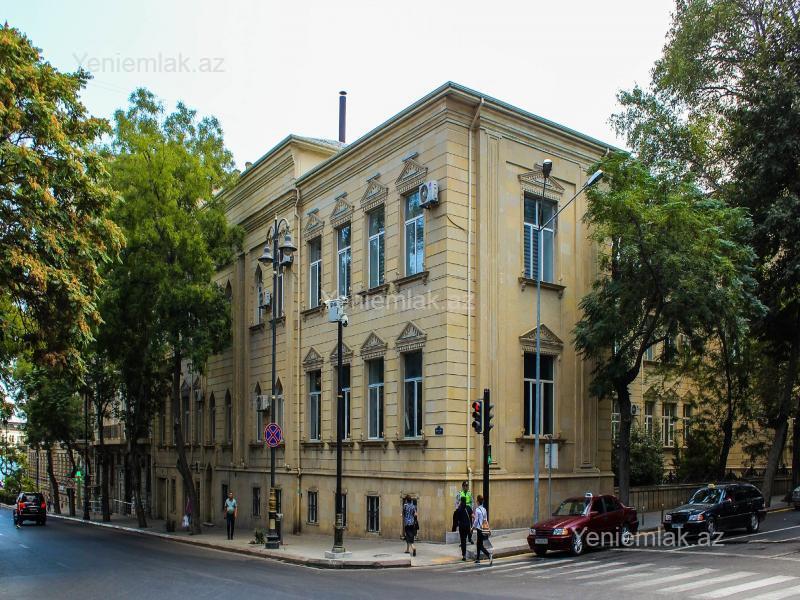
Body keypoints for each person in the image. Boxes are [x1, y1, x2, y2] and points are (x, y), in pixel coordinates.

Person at [472, 495, 492, 565]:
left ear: (478, 502)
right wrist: (488, 528)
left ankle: (489, 555)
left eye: (476, 501)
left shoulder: (477, 510)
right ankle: (477, 559)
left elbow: (476, 520)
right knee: (478, 544)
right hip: (483, 528)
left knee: (480, 545)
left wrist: (472, 528)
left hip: (479, 529)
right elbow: (485, 520)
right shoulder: (484, 509)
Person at [452, 497, 472, 561]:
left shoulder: (459, 509)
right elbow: (472, 516)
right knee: (466, 537)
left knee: (463, 541)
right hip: (467, 526)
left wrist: (454, 527)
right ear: (465, 501)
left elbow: (456, 518)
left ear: (461, 501)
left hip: (462, 527)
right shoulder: (468, 508)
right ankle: (470, 538)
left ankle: (464, 555)